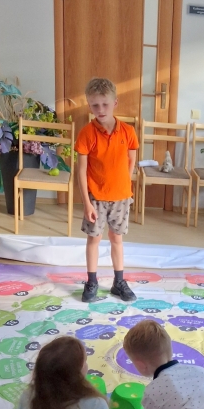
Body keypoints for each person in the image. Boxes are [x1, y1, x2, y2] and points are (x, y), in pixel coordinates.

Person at [76, 77, 138, 304]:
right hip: (95, 197)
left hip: (121, 197)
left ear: (115, 103)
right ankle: (91, 282)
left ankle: (118, 282)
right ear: (89, 105)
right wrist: (87, 202)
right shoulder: (86, 133)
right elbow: (81, 170)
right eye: (95, 105)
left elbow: (131, 161)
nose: (100, 109)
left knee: (117, 239)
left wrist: (123, 188)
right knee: (94, 239)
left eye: (105, 104)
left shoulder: (128, 132)